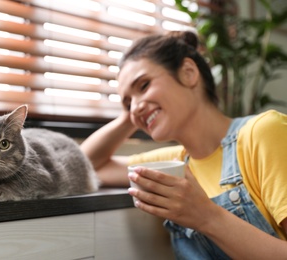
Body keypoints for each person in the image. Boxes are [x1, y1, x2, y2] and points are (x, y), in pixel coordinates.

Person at [80, 31, 287, 259]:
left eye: (144, 85)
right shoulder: (173, 164)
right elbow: (86, 166)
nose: (135, 106)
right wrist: (130, 115)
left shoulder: (263, 133)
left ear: (188, 73)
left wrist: (207, 217)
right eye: (127, 102)